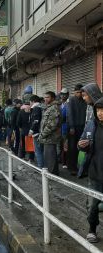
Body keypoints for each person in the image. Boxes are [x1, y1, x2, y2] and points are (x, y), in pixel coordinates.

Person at [79, 97, 103, 243]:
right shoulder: (91, 124)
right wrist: (81, 145)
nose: (100, 113)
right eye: (98, 110)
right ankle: (92, 230)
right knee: (93, 204)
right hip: (95, 171)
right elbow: (81, 142)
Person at [78, 83, 103, 177]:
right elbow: (87, 125)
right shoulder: (89, 107)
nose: (83, 98)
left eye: (85, 95)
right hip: (88, 143)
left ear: (92, 93)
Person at [39, 91, 61, 175]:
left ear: (52, 98)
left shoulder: (54, 108)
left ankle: (52, 175)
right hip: (48, 137)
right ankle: (53, 173)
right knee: (50, 157)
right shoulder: (49, 107)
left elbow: (52, 124)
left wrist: (43, 134)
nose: (45, 99)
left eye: (47, 97)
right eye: (44, 97)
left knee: (50, 157)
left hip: (51, 137)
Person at [66, 85, 87, 175]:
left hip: (83, 127)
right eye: (77, 92)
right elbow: (70, 114)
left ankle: (81, 167)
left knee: (82, 148)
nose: (79, 94)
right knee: (72, 148)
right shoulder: (71, 100)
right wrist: (71, 127)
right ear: (74, 92)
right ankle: (72, 167)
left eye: (80, 92)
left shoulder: (85, 100)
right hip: (73, 128)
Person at [29, 95, 44, 168]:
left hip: (37, 132)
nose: (30, 104)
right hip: (41, 132)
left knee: (38, 150)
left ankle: (41, 167)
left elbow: (36, 121)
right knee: (40, 150)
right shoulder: (41, 107)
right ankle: (42, 166)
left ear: (33, 101)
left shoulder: (36, 108)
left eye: (30, 102)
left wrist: (31, 130)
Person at [58, 88, 69, 171]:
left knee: (65, 145)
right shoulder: (59, 104)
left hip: (65, 127)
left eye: (65, 94)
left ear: (67, 95)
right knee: (60, 145)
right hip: (59, 128)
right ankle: (60, 159)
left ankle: (65, 162)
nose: (63, 96)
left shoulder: (68, 104)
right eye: (62, 94)